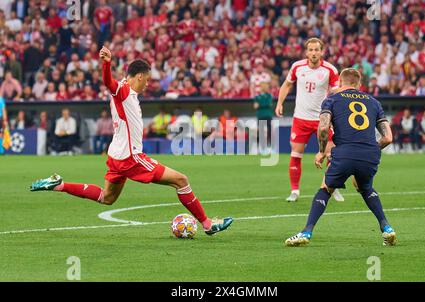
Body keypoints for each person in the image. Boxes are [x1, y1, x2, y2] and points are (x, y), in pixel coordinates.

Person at [30, 46, 233, 236]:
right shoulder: (124, 90)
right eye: (147, 79)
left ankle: (59, 184)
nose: (148, 83)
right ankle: (208, 224)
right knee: (181, 180)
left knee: (106, 197)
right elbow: (109, 84)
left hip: (117, 155)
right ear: (139, 76)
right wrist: (106, 64)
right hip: (131, 157)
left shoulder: (129, 93)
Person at [285, 68, 397, 247]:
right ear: (359, 84)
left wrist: (322, 151)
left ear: (340, 83)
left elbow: (322, 128)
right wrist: (370, 149)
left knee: (325, 188)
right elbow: (388, 137)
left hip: (344, 152)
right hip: (370, 154)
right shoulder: (374, 102)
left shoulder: (331, 100)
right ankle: (387, 228)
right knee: (364, 187)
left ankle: (306, 232)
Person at [275, 37, 344, 202]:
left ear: (321, 52)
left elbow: (336, 92)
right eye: (311, 50)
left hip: (322, 119)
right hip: (300, 118)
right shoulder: (297, 67)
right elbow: (286, 85)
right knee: (296, 154)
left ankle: (331, 186)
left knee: (332, 153)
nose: (313, 53)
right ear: (306, 52)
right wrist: (279, 103)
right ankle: (295, 191)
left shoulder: (330, 70)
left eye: (316, 50)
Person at [253, 82, 273, 154]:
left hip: (267, 115)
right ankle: (260, 148)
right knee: (260, 132)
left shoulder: (269, 96)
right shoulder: (257, 97)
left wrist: (260, 104)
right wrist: (265, 104)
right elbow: (255, 106)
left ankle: (269, 147)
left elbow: (269, 104)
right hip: (261, 115)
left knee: (269, 132)